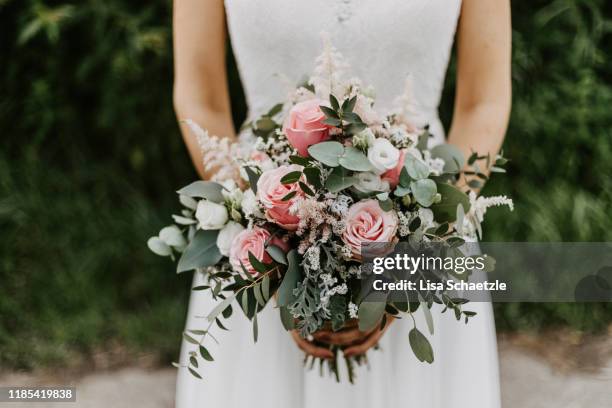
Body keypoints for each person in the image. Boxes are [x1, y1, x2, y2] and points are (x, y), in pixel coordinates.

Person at [173, 1, 511, 407]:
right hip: (262, 256)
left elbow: (483, 103)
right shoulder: (262, 242)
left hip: (424, 244)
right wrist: (262, 229)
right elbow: (201, 99)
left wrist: (423, 242)